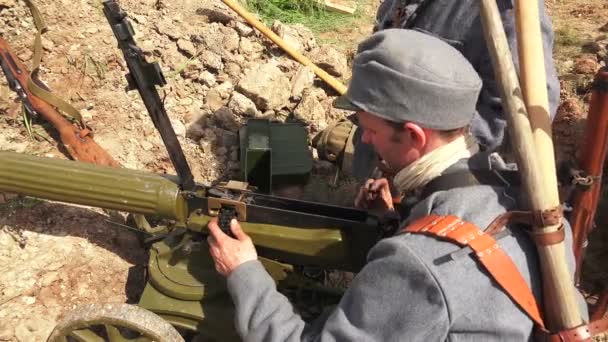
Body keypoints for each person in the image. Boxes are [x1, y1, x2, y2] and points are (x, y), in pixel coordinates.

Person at [206, 29, 582, 341]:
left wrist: (244, 273)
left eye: (371, 130)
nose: (365, 141)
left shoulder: (417, 264)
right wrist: (399, 219)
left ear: (415, 136)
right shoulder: (524, 198)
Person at [314, 0, 560, 181]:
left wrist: (423, 154)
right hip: (383, 162)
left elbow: (517, 118)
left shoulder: (508, 13)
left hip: (442, 186)